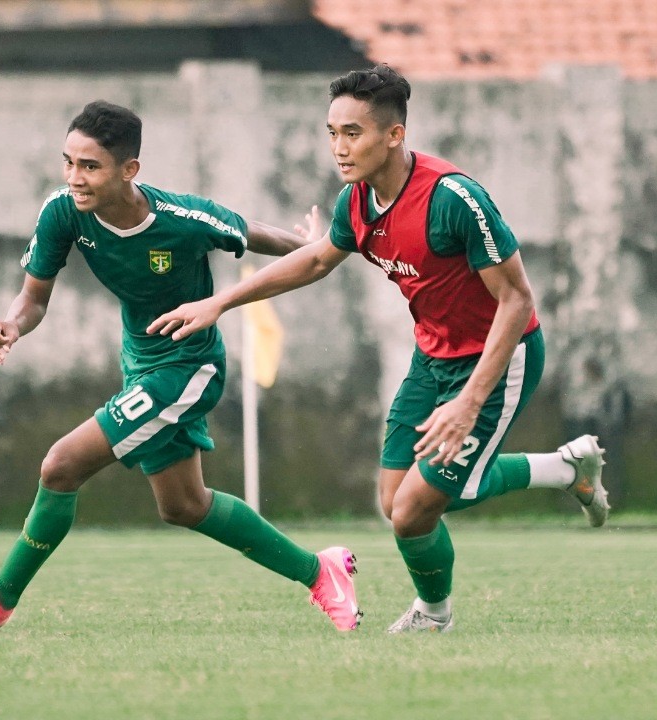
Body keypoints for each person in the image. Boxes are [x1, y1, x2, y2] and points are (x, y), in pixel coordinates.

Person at [148, 65, 609, 633]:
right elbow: (317, 259)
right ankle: (564, 470)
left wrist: (468, 403)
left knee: (414, 514)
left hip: (499, 355)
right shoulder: (358, 202)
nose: (338, 148)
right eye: (332, 132)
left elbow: (516, 302)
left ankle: (433, 615)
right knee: (395, 500)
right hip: (431, 357)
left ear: (394, 135)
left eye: (353, 133)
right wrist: (221, 302)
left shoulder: (454, 199)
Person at [0, 100, 361, 633]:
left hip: (188, 367)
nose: (73, 178)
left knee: (60, 465)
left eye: (89, 166)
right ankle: (322, 572)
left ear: (129, 170)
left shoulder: (181, 219)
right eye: (68, 162)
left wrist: (318, 247)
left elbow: (251, 231)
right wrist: (11, 322)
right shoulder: (62, 212)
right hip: (141, 364)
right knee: (184, 505)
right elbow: (32, 298)